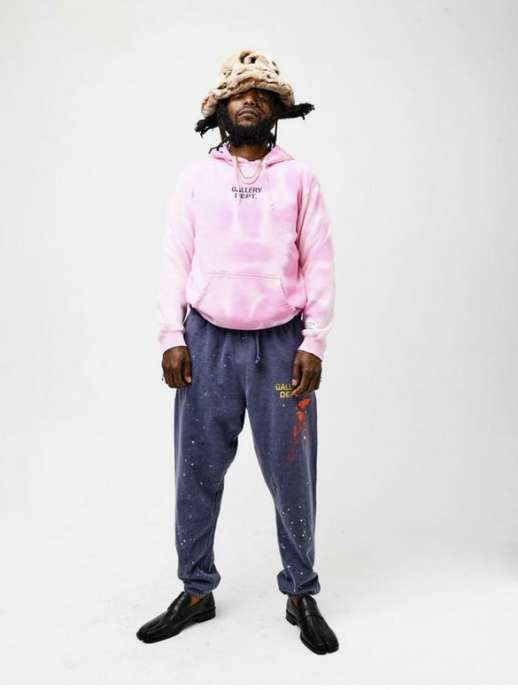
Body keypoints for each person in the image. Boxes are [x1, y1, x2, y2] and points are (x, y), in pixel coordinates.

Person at [137, 49, 338, 655]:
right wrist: (172, 335)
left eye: (261, 93)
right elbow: (175, 256)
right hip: (207, 343)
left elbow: (319, 260)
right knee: (196, 472)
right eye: (237, 93)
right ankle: (196, 590)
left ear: (277, 109)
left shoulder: (300, 179)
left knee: (291, 473)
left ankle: (300, 592)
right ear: (220, 108)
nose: (248, 100)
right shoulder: (195, 179)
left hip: (281, 345)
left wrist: (314, 340)